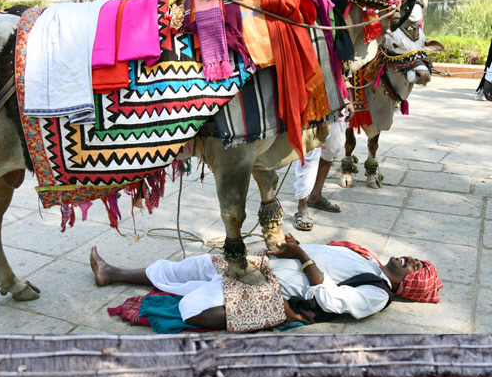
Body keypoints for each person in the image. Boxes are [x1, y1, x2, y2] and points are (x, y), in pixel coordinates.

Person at [92, 237, 442, 330]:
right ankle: (114, 273)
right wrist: (284, 248)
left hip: (272, 289)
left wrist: (301, 254)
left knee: (191, 309)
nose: (410, 260)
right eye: (415, 258)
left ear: (406, 287)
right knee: (192, 267)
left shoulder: (377, 295)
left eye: (415, 268)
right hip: (265, 261)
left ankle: (271, 315)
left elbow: (331, 298)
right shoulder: (367, 258)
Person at [292, 121, 345, 230]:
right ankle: (302, 205)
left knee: (334, 146)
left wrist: (349, 102)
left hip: (336, 106)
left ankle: (316, 195)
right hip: (311, 107)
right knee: (310, 149)